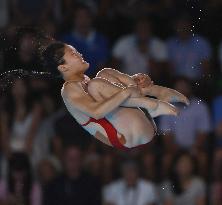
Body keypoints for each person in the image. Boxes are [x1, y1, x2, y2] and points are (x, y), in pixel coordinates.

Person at [42, 41, 189, 149]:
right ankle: (152, 104)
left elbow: (120, 95)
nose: (79, 54)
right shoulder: (69, 90)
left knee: (105, 73)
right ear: (63, 67)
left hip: (140, 125)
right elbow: (97, 112)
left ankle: (155, 93)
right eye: (73, 54)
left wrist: (137, 80)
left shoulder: (86, 80)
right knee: (96, 85)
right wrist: (126, 91)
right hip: (127, 136)